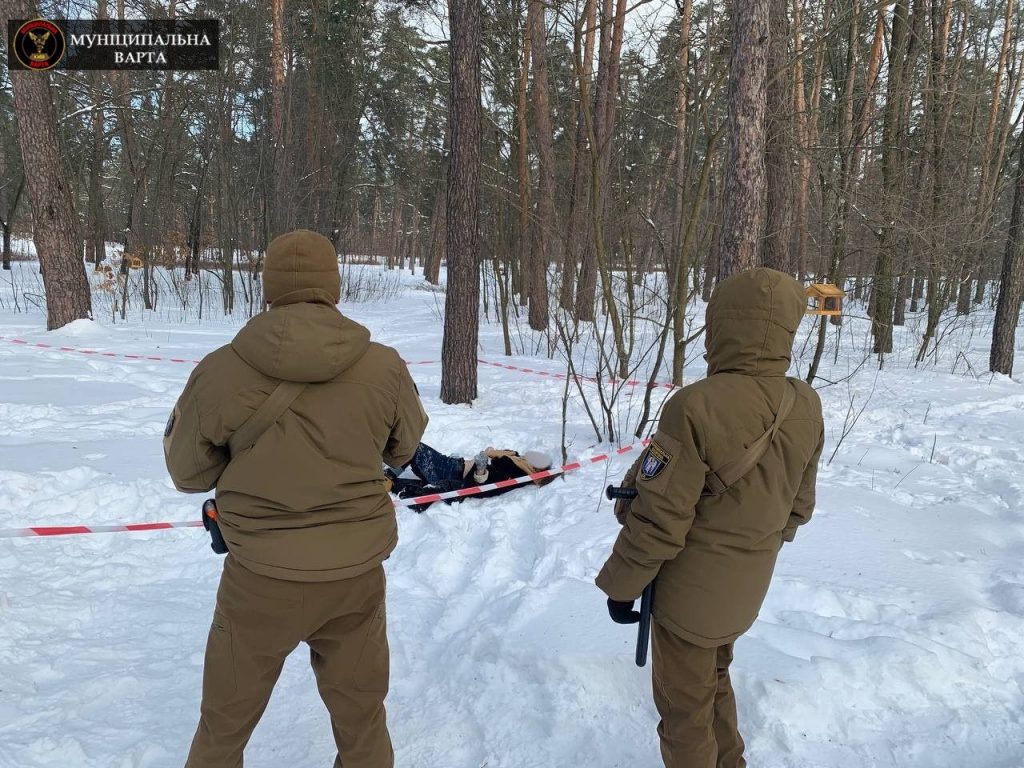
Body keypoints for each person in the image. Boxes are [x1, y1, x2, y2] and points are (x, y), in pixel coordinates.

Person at [164, 229, 428, 768]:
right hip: (354, 576)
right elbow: (404, 450)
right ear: (333, 286)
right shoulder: (383, 366)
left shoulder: (220, 369)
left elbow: (188, 472)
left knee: (224, 724)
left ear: (268, 287)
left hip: (259, 578)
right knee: (362, 721)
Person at [595, 268, 824, 768]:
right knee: (715, 678)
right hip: (746, 589)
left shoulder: (696, 405)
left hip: (686, 598)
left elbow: (659, 517)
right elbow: (799, 508)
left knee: (684, 714)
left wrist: (621, 585)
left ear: (721, 325)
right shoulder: (804, 402)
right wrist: (750, 547)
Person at [386, 443, 555, 511]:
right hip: (455, 464)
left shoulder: (516, 473)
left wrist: (480, 470)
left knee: (413, 447)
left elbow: (487, 486)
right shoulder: (517, 458)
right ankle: (388, 479)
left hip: (454, 471)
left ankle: (387, 477)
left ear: (534, 468)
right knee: (413, 448)